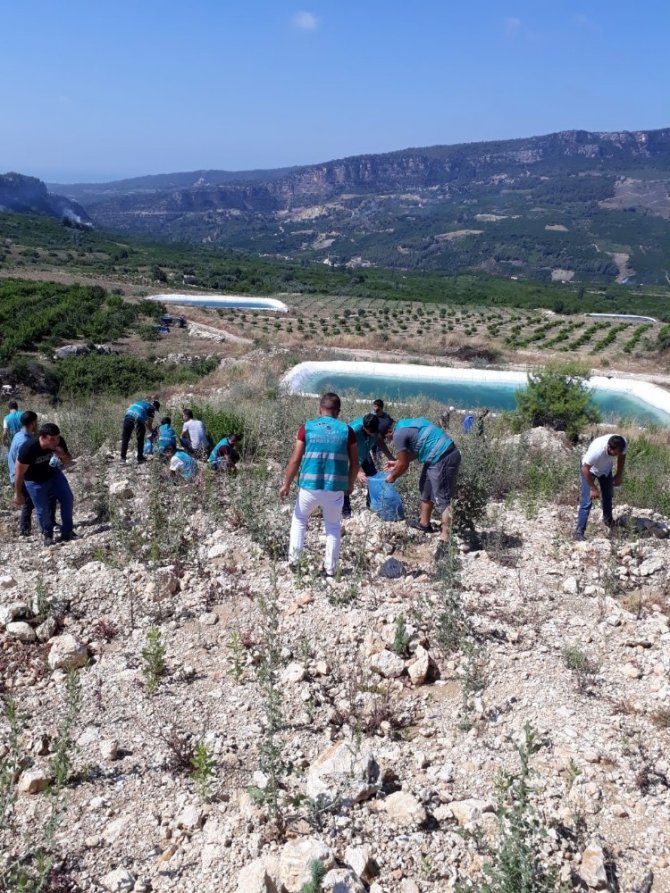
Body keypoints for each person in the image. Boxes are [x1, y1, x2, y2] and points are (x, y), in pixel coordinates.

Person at [279, 392, 358, 577]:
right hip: (335, 489)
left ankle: (295, 564)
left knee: (299, 521)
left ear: (320, 409)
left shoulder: (307, 428)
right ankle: (330, 571)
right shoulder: (348, 431)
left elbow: (295, 460)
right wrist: (350, 485)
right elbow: (355, 463)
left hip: (309, 487)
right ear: (338, 412)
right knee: (332, 526)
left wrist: (286, 484)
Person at [385, 416, 461, 560]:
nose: (390, 441)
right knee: (425, 487)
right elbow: (415, 451)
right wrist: (397, 462)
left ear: (389, 430)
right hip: (434, 457)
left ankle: (446, 540)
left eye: (388, 438)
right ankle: (424, 523)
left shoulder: (398, 434)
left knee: (443, 499)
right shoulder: (405, 424)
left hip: (444, 457)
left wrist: (392, 477)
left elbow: (403, 466)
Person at [14, 423, 75, 546]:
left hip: (53, 475)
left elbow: (68, 461)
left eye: (58, 437)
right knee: (43, 509)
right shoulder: (29, 448)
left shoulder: (59, 443)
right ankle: (47, 535)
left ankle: (67, 531)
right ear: (42, 437)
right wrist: (18, 493)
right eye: (52, 439)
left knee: (68, 498)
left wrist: (62, 454)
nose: (56, 441)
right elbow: (19, 473)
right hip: (34, 482)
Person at [575, 434, 627, 541]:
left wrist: (618, 474)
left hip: (605, 470)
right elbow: (585, 469)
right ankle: (579, 533)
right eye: (615, 453)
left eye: (618, 452)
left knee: (608, 495)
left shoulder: (622, 443)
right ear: (609, 448)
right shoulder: (597, 451)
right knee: (587, 501)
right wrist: (593, 488)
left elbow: (622, 456)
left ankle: (608, 521)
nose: (616, 455)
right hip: (590, 470)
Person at [8, 410, 39, 536]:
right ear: (33, 423)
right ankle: (24, 529)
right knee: (28, 502)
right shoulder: (24, 442)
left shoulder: (18, 435)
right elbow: (19, 465)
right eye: (36, 422)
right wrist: (17, 490)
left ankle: (25, 528)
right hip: (20, 477)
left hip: (16, 475)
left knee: (29, 502)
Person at [343, 413, 380, 518]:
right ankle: (346, 510)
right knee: (346, 480)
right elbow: (345, 450)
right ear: (364, 427)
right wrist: (357, 471)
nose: (373, 434)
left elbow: (379, 441)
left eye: (374, 431)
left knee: (373, 476)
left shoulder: (376, 428)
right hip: (348, 455)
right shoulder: (353, 431)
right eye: (370, 432)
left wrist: (390, 457)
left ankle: (371, 504)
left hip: (364, 454)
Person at [121, 399, 160, 464]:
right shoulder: (151, 408)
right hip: (138, 420)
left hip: (127, 417)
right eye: (156, 410)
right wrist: (152, 431)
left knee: (125, 439)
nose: (155, 411)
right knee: (140, 440)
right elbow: (149, 424)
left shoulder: (139, 402)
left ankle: (122, 459)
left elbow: (130, 409)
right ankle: (140, 458)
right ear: (155, 407)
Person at [370, 399, 394, 466]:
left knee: (378, 456)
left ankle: (378, 466)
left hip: (381, 440)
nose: (374, 409)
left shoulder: (387, 417)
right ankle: (375, 465)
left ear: (381, 407)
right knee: (373, 455)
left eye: (376, 406)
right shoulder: (371, 416)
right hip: (371, 439)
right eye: (373, 406)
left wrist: (391, 440)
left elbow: (391, 427)